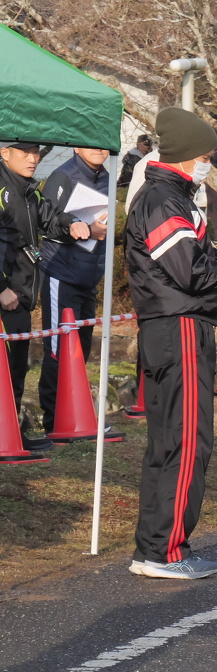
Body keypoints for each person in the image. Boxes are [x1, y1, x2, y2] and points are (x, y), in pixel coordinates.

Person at [124, 107, 217, 580]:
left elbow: (188, 261)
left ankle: (154, 548)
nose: (208, 164)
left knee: (168, 442)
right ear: (186, 156)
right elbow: (190, 273)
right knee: (187, 442)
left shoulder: (167, 196)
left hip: (170, 327)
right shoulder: (163, 198)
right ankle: (167, 551)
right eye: (205, 156)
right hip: (179, 329)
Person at [0, 142, 93, 453]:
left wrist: (72, 223)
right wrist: (1, 288)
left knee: (16, 368)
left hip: (21, 293)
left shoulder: (29, 190)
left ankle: (12, 434)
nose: (33, 158)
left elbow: (49, 216)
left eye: (36, 152)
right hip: (6, 294)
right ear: (4, 153)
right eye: (24, 152)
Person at [38, 147, 113, 435]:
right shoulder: (63, 176)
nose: (99, 149)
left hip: (90, 277)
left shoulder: (108, 177)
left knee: (81, 348)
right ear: (77, 147)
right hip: (62, 273)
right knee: (58, 349)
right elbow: (46, 223)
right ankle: (55, 420)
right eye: (91, 143)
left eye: (103, 143)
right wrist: (85, 229)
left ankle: (78, 416)